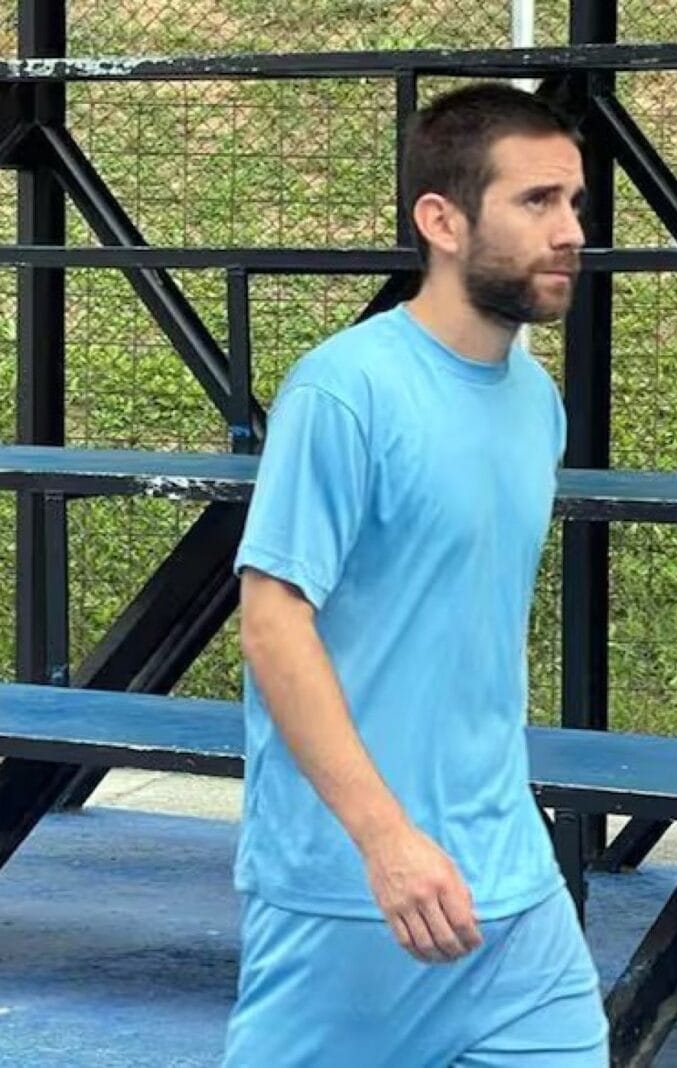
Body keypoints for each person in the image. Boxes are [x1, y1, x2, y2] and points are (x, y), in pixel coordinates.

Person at [222, 82, 609, 1067]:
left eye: (573, 201)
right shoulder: (345, 391)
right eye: (536, 201)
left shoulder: (536, 400)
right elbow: (271, 622)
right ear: (441, 220)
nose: (570, 230)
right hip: (354, 899)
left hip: (512, 893)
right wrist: (387, 841)